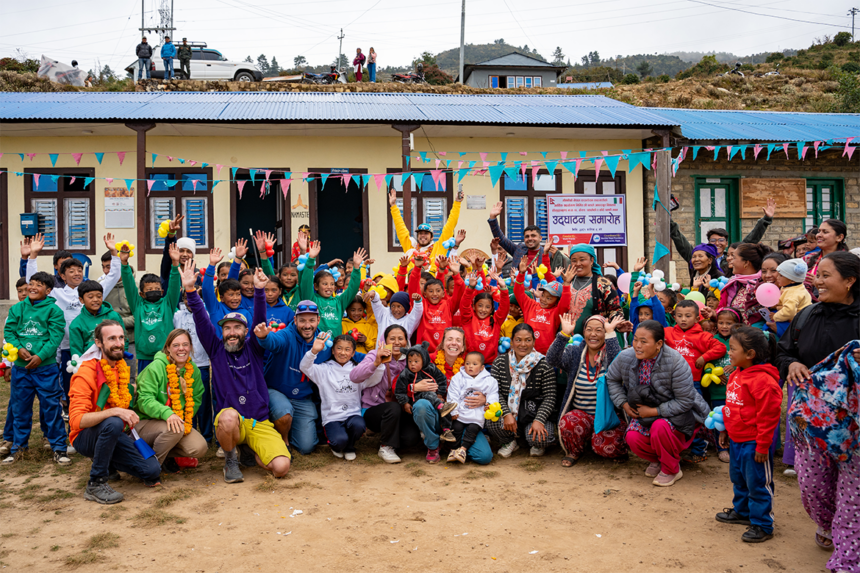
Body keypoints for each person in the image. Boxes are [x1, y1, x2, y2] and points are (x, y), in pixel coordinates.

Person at [776, 252, 860, 563]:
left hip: (855, 426)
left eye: (825, 276)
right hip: (811, 424)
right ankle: (827, 522)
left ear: (849, 281)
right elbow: (783, 352)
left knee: (854, 496)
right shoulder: (807, 315)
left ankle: (848, 557)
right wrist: (793, 363)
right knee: (812, 486)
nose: (817, 281)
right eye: (817, 274)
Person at [185, 262, 291, 483]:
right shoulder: (216, 349)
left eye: (237, 328)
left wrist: (260, 291)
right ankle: (231, 459)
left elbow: (260, 320)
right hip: (233, 422)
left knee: (281, 468)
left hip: (259, 422)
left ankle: (252, 451)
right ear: (221, 331)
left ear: (245, 330)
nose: (231, 333)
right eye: (226, 328)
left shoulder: (254, 348)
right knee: (229, 416)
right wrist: (190, 291)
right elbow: (202, 321)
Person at [607, 320, 710, 487]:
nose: (637, 346)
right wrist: (624, 403)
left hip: (679, 414)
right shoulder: (626, 356)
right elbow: (612, 378)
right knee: (633, 437)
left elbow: (685, 401)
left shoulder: (676, 361)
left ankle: (672, 469)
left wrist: (654, 411)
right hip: (645, 414)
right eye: (635, 340)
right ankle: (659, 459)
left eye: (644, 341)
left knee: (660, 427)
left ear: (659, 344)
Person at [26, 233, 121, 413]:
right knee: (72, 386)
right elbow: (34, 283)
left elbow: (114, 275)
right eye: (71, 271)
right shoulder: (55, 292)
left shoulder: (91, 290)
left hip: (93, 347)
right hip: (66, 348)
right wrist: (33, 256)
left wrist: (113, 251)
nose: (77, 273)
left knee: (99, 384)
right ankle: (74, 415)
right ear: (61, 275)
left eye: (79, 270)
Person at [68, 321, 162, 503]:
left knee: (152, 471)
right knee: (115, 421)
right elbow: (76, 421)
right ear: (98, 343)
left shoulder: (121, 368)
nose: (118, 343)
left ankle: (107, 460)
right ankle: (96, 483)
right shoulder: (85, 373)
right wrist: (116, 411)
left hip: (113, 432)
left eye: (121, 338)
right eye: (111, 338)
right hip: (84, 436)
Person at [716, 326, 782, 544]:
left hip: (754, 443)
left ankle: (763, 524)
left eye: (733, 349)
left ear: (750, 354)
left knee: (758, 482)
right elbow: (731, 405)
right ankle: (742, 511)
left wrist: (763, 446)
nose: (728, 352)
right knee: (739, 478)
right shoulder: (736, 373)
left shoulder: (764, 381)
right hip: (736, 439)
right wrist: (725, 429)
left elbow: (769, 417)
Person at [2, 272, 69, 466]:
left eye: (38, 285)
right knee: (20, 408)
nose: (32, 287)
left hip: (45, 368)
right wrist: (19, 348)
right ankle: (18, 448)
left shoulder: (54, 311)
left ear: (48, 291)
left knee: (51, 408)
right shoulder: (17, 309)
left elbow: (55, 337)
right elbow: (10, 331)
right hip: (21, 370)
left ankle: (59, 447)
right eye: (31, 283)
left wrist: (40, 356)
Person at [257, 300, 335, 455]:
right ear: (295, 320)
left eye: (312, 320)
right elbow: (274, 342)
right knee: (284, 412)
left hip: (302, 397)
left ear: (318, 320)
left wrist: (373, 360)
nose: (307, 325)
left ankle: (286, 427)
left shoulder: (324, 343)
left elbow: (343, 356)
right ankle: (283, 440)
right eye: (302, 320)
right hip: (277, 390)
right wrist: (264, 337)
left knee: (306, 447)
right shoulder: (286, 334)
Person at [548, 314, 625, 467]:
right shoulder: (575, 352)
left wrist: (611, 334)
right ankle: (575, 451)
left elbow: (619, 363)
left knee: (605, 448)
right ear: (584, 332)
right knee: (568, 422)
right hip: (582, 415)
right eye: (589, 330)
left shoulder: (610, 353)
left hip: (607, 417)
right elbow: (552, 359)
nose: (593, 334)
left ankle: (604, 444)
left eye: (599, 330)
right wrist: (563, 335)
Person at [296, 333, 379, 460]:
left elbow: (374, 379)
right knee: (339, 441)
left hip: (353, 415)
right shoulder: (324, 369)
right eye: (339, 348)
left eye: (347, 349)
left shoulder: (357, 370)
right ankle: (337, 445)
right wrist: (313, 351)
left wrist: (380, 363)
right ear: (333, 351)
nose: (343, 353)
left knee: (359, 425)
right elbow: (304, 367)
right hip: (332, 417)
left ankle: (350, 447)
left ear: (353, 353)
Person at [134, 330, 208, 469]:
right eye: (176, 345)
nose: (181, 349)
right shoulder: (155, 367)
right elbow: (144, 400)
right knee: (175, 429)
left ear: (191, 347)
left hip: (176, 423)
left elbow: (196, 399)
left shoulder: (194, 371)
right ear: (168, 348)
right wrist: (168, 414)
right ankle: (150, 468)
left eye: (185, 345)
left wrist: (183, 418)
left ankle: (166, 453)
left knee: (199, 447)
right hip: (146, 422)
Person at [665, 299, 726, 462]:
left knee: (696, 416)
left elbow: (721, 348)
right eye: (679, 315)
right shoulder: (668, 332)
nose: (683, 319)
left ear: (697, 319)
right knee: (672, 416)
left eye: (688, 316)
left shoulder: (703, 336)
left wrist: (704, 357)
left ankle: (699, 450)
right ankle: (673, 446)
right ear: (674, 317)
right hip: (670, 384)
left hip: (693, 384)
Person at [486, 324, 557, 457]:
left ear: (534, 342)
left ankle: (532, 441)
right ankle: (509, 441)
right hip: (509, 412)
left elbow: (550, 396)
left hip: (533, 412)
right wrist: (506, 414)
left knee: (541, 438)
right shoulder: (500, 362)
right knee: (492, 419)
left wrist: (539, 420)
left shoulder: (543, 364)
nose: (523, 344)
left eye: (528, 340)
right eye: (518, 340)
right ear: (512, 342)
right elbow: (496, 392)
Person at [670, 198, 776, 274]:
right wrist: (666, 215)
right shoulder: (699, 257)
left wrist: (766, 219)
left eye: (721, 240)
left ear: (726, 243)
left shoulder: (732, 258)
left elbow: (751, 240)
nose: (717, 243)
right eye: (713, 240)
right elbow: (679, 240)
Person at [123, 242, 181, 373]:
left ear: (162, 291)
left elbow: (173, 285)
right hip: (145, 356)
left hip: (166, 355)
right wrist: (125, 265)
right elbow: (129, 286)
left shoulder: (168, 304)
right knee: (146, 387)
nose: (153, 291)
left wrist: (175, 264)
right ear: (141, 294)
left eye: (157, 289)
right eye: (149, 289)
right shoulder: (137, 305)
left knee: (166, 388)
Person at [394, 342, 457, 458]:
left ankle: (446, 432)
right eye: (410, 361)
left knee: (436, 401)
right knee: (426, 396)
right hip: (417, 404)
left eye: (416, 361)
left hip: (435, 402)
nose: (412, 364)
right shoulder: (405, 373)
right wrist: (405, 403)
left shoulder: (431, 369)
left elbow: (442, 379)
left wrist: (439, 394)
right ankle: (433, 446)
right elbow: (399, 390)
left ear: (424, 360)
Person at [297, 241, 364, 337]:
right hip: (316, 345)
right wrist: (311, 259)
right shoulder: (312, 300)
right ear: (316, 286)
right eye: (325, 284)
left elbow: (352, 289)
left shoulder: (339, 301)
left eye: (332, 284)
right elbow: (306, 284)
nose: (329, 287)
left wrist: (356, 268)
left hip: (335, 347)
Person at [389, 188, 464, 272]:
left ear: (432, 237)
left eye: (426, 233)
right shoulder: (410, 249)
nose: (423, 235)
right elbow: (400, 229)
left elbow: (449, 226)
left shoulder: (439, 247)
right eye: (420, 233)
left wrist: (457, 203)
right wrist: (393, 206)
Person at [172, 289, 213, 444]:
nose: (189, 301)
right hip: (182, 365)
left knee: (202, 402)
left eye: (193, 298)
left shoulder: (206, 315)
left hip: (201, 365)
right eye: (186, 298)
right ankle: (189, 431)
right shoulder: (178, 316)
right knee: (185, 399)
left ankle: (207, 436)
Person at [445, 351, 499, 464]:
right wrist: (453, 410)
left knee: (472, 430)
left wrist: (489, 403)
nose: (470, 366)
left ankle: (463, 450)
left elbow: (493, 393)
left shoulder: (489, 380)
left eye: (474, 364)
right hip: (460, 413)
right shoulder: (458, 378)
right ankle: (453, 450)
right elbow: (452, 395)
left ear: (482, 367)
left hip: (476, 414)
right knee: (456, 428)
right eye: (468, 363)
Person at [513, 258, 573, 354]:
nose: (543, 299)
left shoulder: (556, 313)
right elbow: (518, 292)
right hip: (527, 353)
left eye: (549, 298)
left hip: (546, 356)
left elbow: (565, 304)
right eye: (543, 295)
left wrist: (566, 284)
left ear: (557, 301)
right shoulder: (530, 305)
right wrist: (521, 274)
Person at [487, 201, 568, 270]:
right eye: (527, 236)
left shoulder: (548, 254)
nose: (530, 238)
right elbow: (501, 239)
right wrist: (493, 218)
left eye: (533, 236)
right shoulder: (519, 249)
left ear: (540, 238)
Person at [460, 269, 510, 365]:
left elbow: (504, 307)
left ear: (492, 309)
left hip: (490, 365)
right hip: (468, 364)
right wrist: (470, 288)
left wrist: (503, 288)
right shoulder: (468, 319)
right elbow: (464, 305)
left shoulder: (496, 320)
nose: (483, 309)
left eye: (487, 307)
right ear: (474, 306)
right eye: (480, 305)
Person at [69, 280, 127, 358]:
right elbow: (76, 351)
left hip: (114, 360)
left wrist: (121, 356)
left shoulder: (113, 316)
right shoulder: (76, 324)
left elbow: (124, 338)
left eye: (99, 296)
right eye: (90, 297)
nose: (95, 299)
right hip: (89, 363)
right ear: (81, 300)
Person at [719, 243, 771, 326]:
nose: (731, 261)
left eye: (734, 257)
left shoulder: (763, 286)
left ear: (746, 263)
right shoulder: (732, 282)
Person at [99, 251, 135, 346]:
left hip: (131, 340)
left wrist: (116, 321)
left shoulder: (135, 287)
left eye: (109, 267)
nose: (105, 271)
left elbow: (139, 317)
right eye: (103, 267)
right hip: (107, 341)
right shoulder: (100, 288)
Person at [771, 258, 812, 336]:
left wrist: (775, 317)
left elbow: (789, 312)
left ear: (792, 280)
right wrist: (776, 306)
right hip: (794, 315)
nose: (777, 277)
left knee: (766, 326)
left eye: (781, 276)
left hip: (796, 321)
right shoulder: (790, 287)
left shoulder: (793, 293)